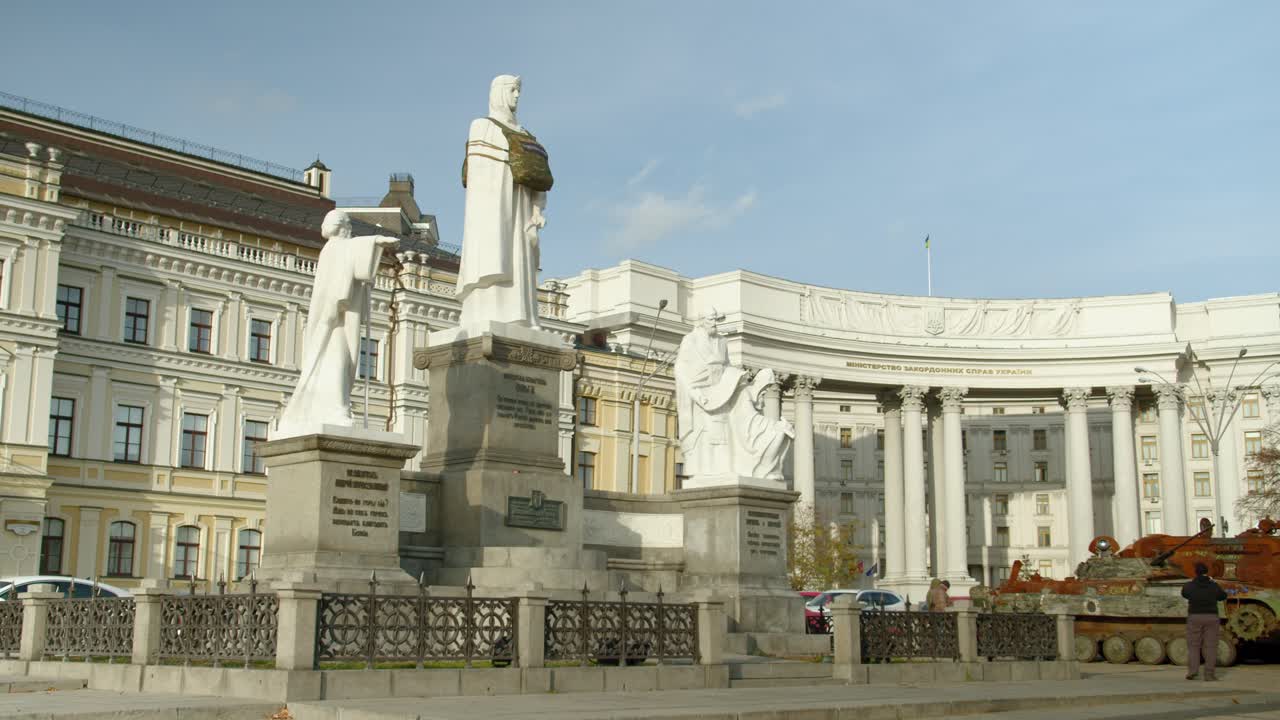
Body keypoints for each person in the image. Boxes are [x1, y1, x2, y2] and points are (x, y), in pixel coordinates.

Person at [276, 210, 398, 437]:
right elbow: (349, 255)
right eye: (349, 224)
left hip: (338, 318)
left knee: (342, 361)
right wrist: (377, 241)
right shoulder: (333, 249)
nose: (351, 228)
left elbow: (355, 264)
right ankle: (338, 408)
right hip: (330, 321)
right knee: (339, 360)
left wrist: (375, 244)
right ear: (342, 226)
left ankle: (337, 408)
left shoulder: (337, 249)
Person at [456, 74, 551, 333]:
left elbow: (539, 175)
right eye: (513, 90)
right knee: (499, 251)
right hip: (496, 211)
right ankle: (487, 310)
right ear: (499, 93)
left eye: (519, 91)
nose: (517, 96)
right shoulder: (482, 126)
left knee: (519, 258)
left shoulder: (525, 133)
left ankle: (521, 316)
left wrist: (537, 208)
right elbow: (480, 177)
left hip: (521, 208)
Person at [1181, 561, 1227, 681]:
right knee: (1211, 646)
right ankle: (1209, 674)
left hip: (1194, 617)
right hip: (1211, 617)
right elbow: (1223, 596)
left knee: (1194, 646)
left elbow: (1184, 594)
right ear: (1207, 573)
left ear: (1196, 573)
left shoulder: (1189, 586)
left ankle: (1193, 671)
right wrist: (1214, 582)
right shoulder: (1213, 585)